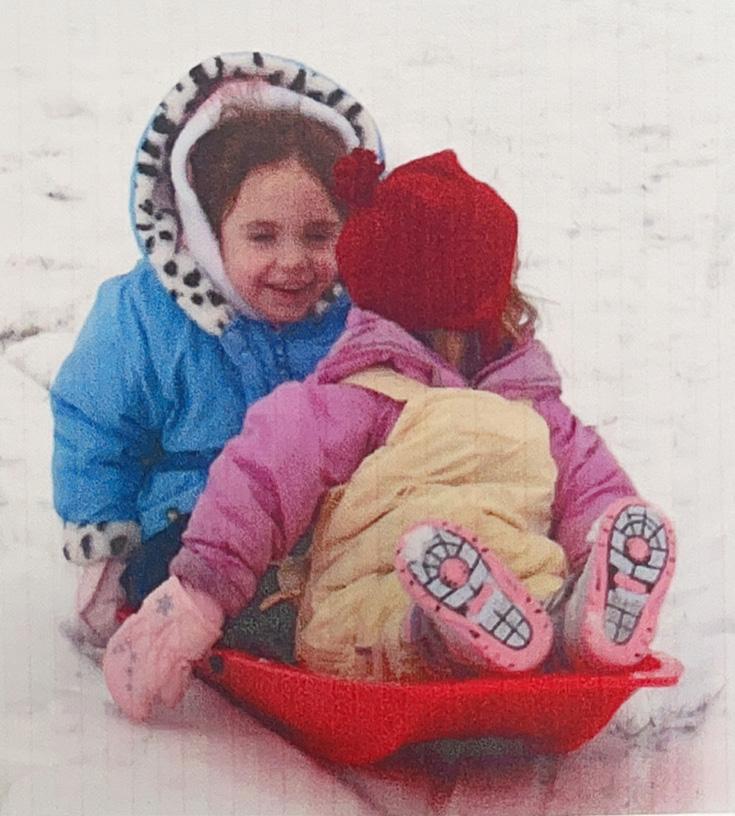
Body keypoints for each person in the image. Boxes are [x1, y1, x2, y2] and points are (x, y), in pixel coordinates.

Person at [102, 149, 676, 720]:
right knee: (526, 585)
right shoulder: (538, 412)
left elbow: (260, 481)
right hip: (517, 589)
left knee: (342, 619)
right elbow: (596, 491)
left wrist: (200, 594)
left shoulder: (357, 399)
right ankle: (571, 622)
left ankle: (451, 635)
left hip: (372, 613)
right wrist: (600, 540)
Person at [51, 51, 383, 645]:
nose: (293, 261)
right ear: (205, 233)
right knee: (213, 584)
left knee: (370, 563)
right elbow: (96, 423)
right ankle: (273, 634)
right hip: (190, 520)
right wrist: (104, 537)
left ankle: (401, 624)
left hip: (329, 522)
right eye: (262, 237)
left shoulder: (359, 316)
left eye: (318, 235)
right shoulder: (147, 319)